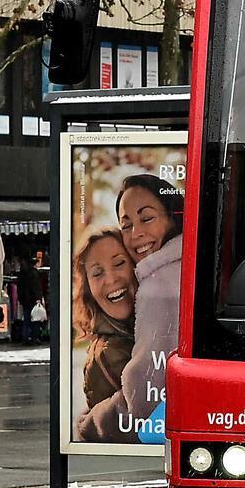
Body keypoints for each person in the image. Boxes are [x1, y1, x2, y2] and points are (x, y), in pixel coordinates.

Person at [76, 174, 181, 443]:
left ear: (173, 216)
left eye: (146, 219)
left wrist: (92, 423)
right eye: (126, 225)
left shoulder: (158, 286)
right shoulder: (189, 265)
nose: (136, 234)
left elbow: (143, 401)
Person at [71, 230, 137, 413]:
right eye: (97, 273)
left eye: (119, 263)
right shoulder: (104, 358)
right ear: (88, 290)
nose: (111, 279)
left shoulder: (155, 326)